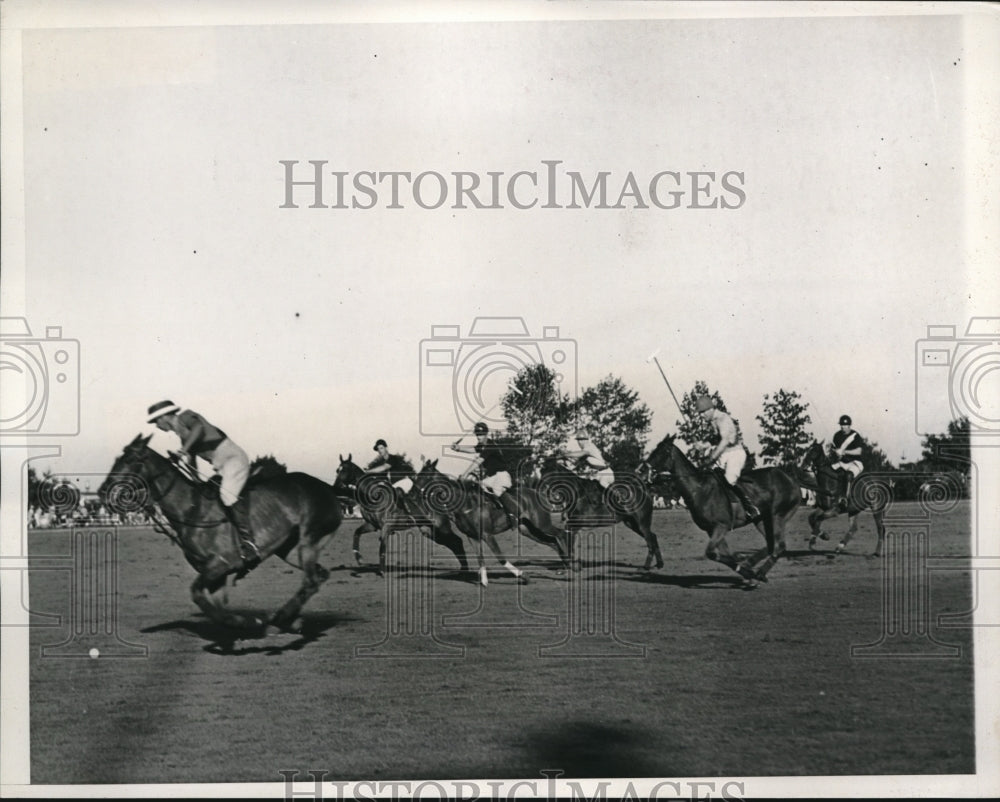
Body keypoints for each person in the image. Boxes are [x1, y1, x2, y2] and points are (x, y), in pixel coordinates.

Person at [146, 400, 261, 569]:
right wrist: (195, 481)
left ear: (165, 416)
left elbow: (198, 429)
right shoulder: (181, 435)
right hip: (222, 465)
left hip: (233, 459)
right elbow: (192, 460)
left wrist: (183, 451)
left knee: (227, 496)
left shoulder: (186, 416)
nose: (157, 426)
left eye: (156, 421)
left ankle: (249, 543)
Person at [695, 395, 761, 520]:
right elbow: (716, 439)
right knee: (708, 476)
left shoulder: (722, 419)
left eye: (702, 412)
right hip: (725, 454)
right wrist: (703, 445)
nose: (701, 416)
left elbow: (724, 441)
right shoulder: (713, 421)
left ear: (710, 409)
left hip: (735, 454)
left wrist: (712, 457)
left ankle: (750, 506)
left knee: (730, 479)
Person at [449, 422, 520, 526]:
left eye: (481, 434)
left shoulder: (490, 445)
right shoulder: (483, 445)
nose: (478, 437)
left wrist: (465, 473)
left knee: (496, 489)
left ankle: (513, 514)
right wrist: (458, 449)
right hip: (493, 477)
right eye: (477, 434)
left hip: (502, 476)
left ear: (486, 434)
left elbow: (478, 461)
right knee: (479, 486)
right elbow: (472, 449)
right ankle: (491, 513)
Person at [561, 424, 615, 489]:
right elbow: (575, 460)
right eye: (578, 440)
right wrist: (563, 459)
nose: (579, 442)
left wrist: (566, 454)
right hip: (599, 474)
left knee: (602, 483)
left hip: (606, 473)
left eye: (581, 440)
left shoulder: (589, 447)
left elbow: (579, 454)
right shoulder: (585, 450)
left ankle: (618, 496)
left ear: (586, 440)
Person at [830, 414, 864, 507]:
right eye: (841, 425)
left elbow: (859, 451)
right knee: (829, 472)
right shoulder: (836, 436)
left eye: (845, 425)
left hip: (855, 463)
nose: (842, 427)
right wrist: (835, 452)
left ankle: (845, 498)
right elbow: (836, 451)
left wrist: (844, 452)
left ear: (849, 425)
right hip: (842, 462)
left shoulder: (855, 435)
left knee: (848, 475)